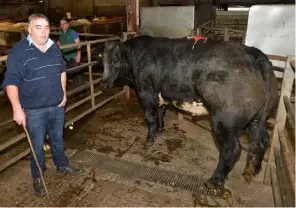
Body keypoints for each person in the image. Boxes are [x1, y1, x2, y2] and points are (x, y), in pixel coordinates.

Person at [2, 13, 80, 197]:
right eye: (38, 27)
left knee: (58, 139)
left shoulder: (54, 48)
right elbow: (11, 81)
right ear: (29, 29)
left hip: (57, 106)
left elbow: (62, 70)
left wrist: (63, 93)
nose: (43, 32)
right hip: (34, 110)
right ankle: (38, 176)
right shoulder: (19, 51)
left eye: (46, 27)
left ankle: (62, 165)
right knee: (37, 146)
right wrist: (16, 108)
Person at [57, 18, 83, 88]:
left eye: (64, 23)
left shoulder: (73, 32)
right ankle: (75, 89)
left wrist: (78, 55)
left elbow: (78, 44)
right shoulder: (61, 33)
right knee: (69, 72)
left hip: (73, 56)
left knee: (77, 73)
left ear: (68, 25)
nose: (63, 25)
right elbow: (61, 43)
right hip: (66, 56)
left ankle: (81, 91)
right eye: (61, 24)